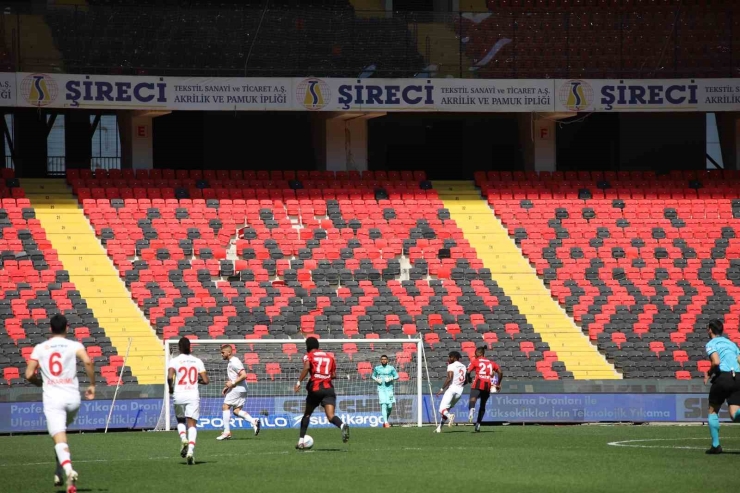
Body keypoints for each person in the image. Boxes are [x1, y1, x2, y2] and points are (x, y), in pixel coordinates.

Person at [24, 314, 95, 493]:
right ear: (67, 328)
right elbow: (87, 361)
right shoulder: (75, 345)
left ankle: (68, 470)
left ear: (50, 329)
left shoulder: (40, 348)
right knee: (61, 436)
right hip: (73, 399)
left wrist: (40, 383)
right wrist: (92, 385)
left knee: (59, 437)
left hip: (53, 398)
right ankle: (59, 471)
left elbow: (29, 374)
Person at [293, 337, 350, 449]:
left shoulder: (308, 355)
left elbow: (307, 367)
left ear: (308, 346)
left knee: (307, 414)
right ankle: (342, 425)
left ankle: (300, 441)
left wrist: (299, 381)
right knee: (330, 416)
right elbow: (333, 375)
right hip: (328, 389)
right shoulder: (330, 356)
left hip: (315, 389)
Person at [168, 337, 209, 464]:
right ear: (190, 347)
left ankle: (183, 438)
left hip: (179, 394)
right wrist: (196, 381)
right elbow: (206, 381)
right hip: (193, 395)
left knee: (180, 419)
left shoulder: (174, 361)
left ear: (179, 347)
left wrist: (171, 389)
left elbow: (170, 377)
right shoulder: (197, 361)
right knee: (192, 424)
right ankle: (190, 451)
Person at [704, 319, 740, 454]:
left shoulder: (711, 343)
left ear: (710, 330)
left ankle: (715, 446)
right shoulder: (732, 344)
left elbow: (716, 361)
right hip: (738, 377)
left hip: (723, 377)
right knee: (734, 414)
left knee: (713, 411)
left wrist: (708, 373)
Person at [216, 344, 260, 440]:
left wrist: (232, 383)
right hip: (241, 389)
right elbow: (235, 377)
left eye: (223, 353)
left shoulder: (234, 362)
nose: (221, 354)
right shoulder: (232, 362)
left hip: (237, 388)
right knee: (236, 411)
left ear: (229, 352)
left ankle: (227, 432)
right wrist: (227, 387)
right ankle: (254, 421)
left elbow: (244, 375)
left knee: (225, 407)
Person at [466, 347, 502, 432]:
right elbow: (500, 372)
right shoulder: (491, 363)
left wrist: (469, 379)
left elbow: (468, 372)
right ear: (484, 354)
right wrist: (498, 383)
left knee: (473, 398)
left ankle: (471, 410)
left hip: (478, 382)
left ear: (478, 354)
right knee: (483, 404)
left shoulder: (475, 361)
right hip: (487, 385)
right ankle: (478, 424)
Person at [435, 351, 467, 433]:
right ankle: (439, 428)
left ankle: (450, 416)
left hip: (452, 389)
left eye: (450, 357)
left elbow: (449, 378)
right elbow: (466, 380)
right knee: (446, 409)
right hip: (459, 392)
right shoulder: (463, 366)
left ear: (454, 357)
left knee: (441, 409)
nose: (448, 359)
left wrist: (441, 389)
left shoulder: (451, 365)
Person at [372, 355, 399, 428]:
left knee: (389, 407)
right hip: (381, 389)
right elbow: (373, 376)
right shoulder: (377, 368)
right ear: (380, 360)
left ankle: (385, 421)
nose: (383, 360)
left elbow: (397, 376)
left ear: (387, 360)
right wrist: (377, 379)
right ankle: (386, 423)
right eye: (382, 359)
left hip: (389, 389)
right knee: (383, 405)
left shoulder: (391, 368)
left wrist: (391, 378)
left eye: (385, 359)